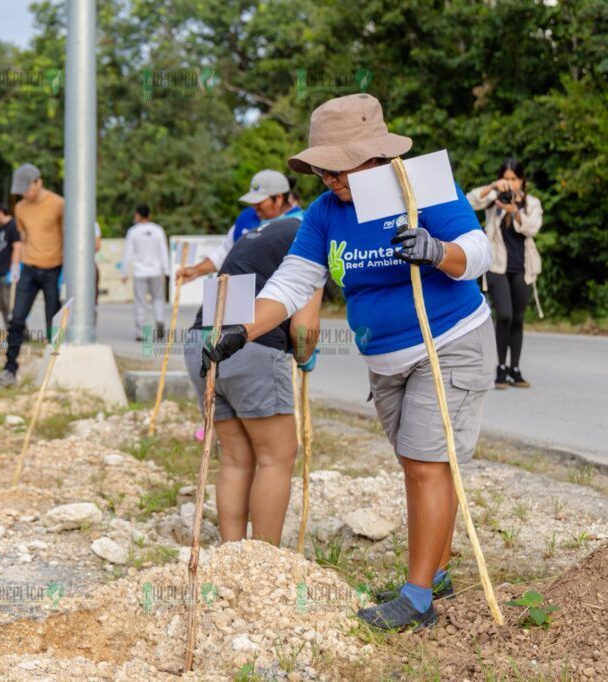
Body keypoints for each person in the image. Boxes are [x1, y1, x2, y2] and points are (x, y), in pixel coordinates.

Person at [202, 94, 494, 632]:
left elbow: (478, 251)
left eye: (338, 166)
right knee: (417, 461)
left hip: (447, 342)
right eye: (320, 167)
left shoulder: (419, 187)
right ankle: (436, 570)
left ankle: (418, 598)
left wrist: (436, 251)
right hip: (385, 360)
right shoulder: (325, 211)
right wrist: (241, 330)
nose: (327, 177)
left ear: (374, 155)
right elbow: (293, 282)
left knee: (429, 463)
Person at [182, 197, 321, 546]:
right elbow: (304, 326)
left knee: (234, 457)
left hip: (202, 339)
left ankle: (233, 554)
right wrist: (304, 355)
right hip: (251, 347)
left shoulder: (261, 232)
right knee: (277, 456)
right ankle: (263, 559)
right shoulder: (311, 235)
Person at [466, 159, 543, 389]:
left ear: (522, 180)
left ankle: (515, 369)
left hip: (523, 268)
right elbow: (470, 202)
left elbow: (532, 228)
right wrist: (492, 187)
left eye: (513, 179)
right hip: (496, 266)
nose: (510, 183)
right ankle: (500, 367)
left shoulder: (532, 203)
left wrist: (515, 212)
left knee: (518, 319)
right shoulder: (493, 200)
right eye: (506, 178)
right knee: (505, 315)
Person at [0, 163, 64, 386]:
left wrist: (66, 268)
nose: (25, 194)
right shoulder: (20, 208)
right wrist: (16, 267)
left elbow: (67, 235)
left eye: (27, 188)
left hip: (53, 268)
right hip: (30, 268)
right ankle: (10, 369)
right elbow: (23, 239)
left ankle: (56, 367)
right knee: (17, 319)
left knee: (54, 321)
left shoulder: (58, 204)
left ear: (38, 182)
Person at [177, 170, 307, 282]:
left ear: (278, 198)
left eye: (259, 202)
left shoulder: (302, 224)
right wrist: (195, 270)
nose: (255, 207)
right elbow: (226, 252)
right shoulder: (247, 218)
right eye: (252, 202)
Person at [121, 204, 170, 341]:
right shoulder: (158, 230)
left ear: (137, 215)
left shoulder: (133, 231)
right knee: (158, 299)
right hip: (155, 271)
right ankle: (160, 320)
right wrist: (166, 270)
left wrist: (124, 272)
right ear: (150, 215)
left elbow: (127, 253)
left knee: (140, 302)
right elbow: (163, 251)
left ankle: (141, 332)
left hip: (139, 273)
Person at [0, 201, 22, 326]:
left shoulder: (13, 225)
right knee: (0, 303)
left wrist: (15, 266)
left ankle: (18, 329)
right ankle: (8, 327)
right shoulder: (1, 229)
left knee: (10, 302)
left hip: (8, 270)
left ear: (0, 212)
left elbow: (17, 246)